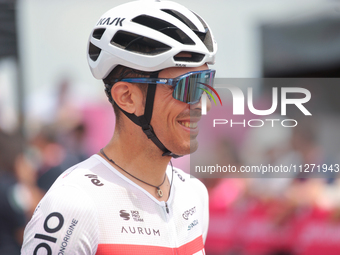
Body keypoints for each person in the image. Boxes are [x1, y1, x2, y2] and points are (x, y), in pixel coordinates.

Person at [21, 0, 217, 254]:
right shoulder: (74, 203)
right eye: (188, 86)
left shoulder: (194, 194)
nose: (203, 105)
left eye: (206, 84)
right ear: (127, 97)